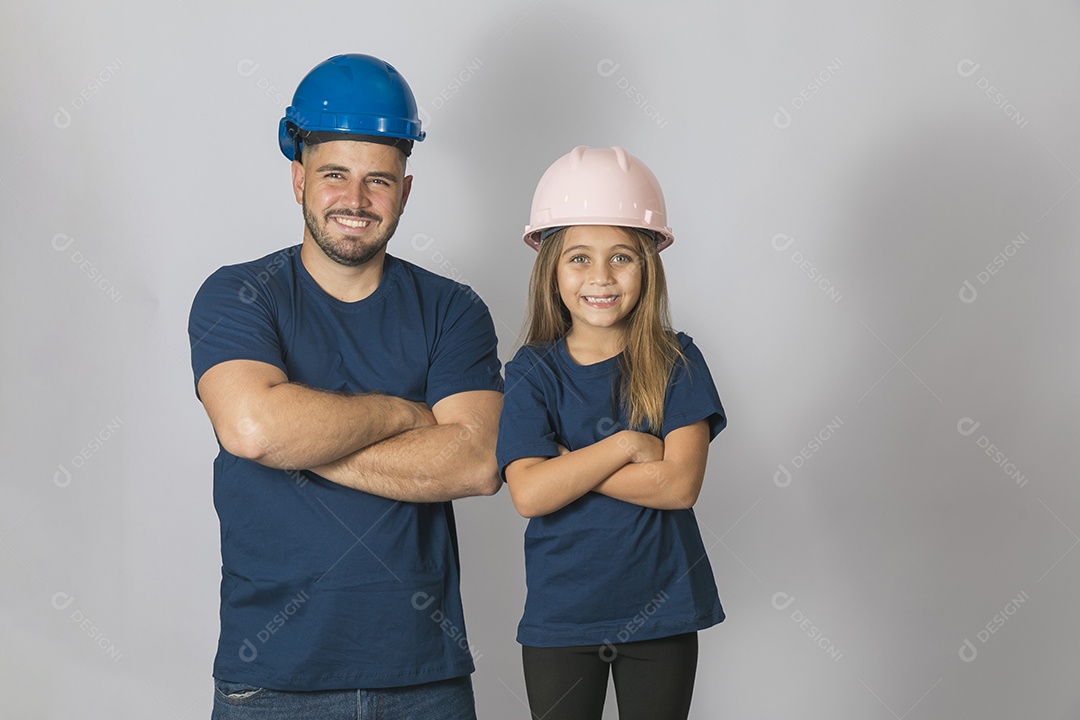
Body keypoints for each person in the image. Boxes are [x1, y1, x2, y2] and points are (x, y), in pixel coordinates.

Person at [188, 54, 503, 719]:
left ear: (405, 192)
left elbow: (476, 462)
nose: (356, 202)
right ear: (298, 179)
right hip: (271, 681)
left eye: (377, 181)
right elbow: (251, 428)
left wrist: (296, 440)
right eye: (335, 175)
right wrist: (404, 413)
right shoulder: (238, 296)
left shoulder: (453, 309)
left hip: (423, 679)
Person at [496, 146, 727, 720]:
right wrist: (624, 446)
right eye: (579, 258)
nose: (600, 277)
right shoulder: (531, 370)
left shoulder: (678, 360)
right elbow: (528, 493)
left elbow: (678, 486)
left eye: (621, 257)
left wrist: (568, 466)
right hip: (561, 618)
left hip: (662, 612)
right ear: (550, 268)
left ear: (648, 265)